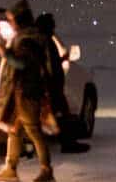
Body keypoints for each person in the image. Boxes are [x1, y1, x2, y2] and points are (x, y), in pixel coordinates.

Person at [0, 0, 56, 182]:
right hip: (21, 92)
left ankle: (46, 170)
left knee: (33, 130)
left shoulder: (29, 39)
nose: (10, 23)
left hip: (27, 92)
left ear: (19, 19)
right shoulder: (27, 36)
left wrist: (5, 52)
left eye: (12, 20)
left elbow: (22, 64)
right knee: (14, 129)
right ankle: (10, 168)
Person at [35, 12, 90, 154]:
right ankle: (68, 144)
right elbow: (49, 66)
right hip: (53, 87)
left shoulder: (42, 40)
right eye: (51, 23)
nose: (54, 26)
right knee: (62, 115)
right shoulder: (46, 41)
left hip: (50, 86)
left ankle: (66, 142)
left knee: (57, 116)